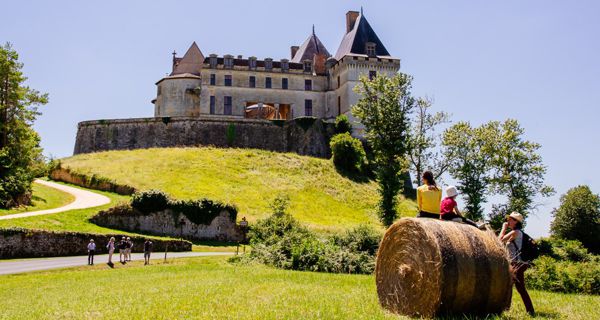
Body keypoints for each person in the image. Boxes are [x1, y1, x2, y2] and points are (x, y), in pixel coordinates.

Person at [499, 212, 535, 316]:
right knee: (515, 286)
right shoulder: (518, 233)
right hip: (518, 263)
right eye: (508, 219)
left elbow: (499, 241)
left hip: (517, 264)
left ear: (516, 222)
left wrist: (503, 228)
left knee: (515, 286)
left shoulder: (515, 232)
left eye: (510, 219)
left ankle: (530, 311)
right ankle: (527, 310)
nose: (508, 221)